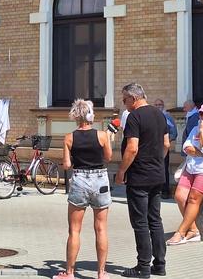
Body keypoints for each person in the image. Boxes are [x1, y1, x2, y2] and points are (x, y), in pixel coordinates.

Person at [115, 83, 169, 278]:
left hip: (139, 177)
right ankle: (160, 265)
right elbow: (166, 144)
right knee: (155, 219)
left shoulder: (134, 117)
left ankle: (143, 267)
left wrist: (121, 171)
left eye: (124, 100)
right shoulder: (159, 114)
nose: (124, 104)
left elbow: (132, 148)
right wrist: (156, 162)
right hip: (157, 175)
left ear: (134, 98)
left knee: (140, 223)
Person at [53, 99, 113, 279]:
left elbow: (67, 164)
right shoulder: (102, 135)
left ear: (75, 117)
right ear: (90, 115)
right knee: (101, 228)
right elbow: (108, 157)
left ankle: (69, 272)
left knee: (74, 230)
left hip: (80, 179)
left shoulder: (69, 138)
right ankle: (102, 273)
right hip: (100, 179)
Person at [167, 102, 203, 245]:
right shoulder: (194, 129)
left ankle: (180, 233)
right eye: (201, 114)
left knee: (193, 199)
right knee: (179, 196)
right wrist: (202, 153)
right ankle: (193, 230)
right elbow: (186, 147)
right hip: (191, 167)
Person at [154, 99, 177, 199]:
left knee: (163, 168)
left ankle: (165, 190)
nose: (158, 106)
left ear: (163, 105)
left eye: (160, 104)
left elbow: (174, 133)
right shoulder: (152, 117)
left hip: (163, 148)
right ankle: (155, 190)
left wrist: (167, 141)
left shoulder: (167, 117)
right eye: (156, 105)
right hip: (152, 148)